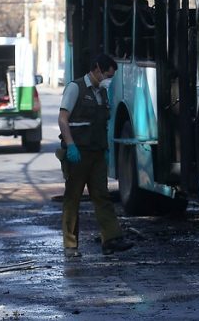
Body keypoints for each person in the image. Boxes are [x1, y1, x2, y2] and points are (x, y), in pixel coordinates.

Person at [57, 53, 133, 258]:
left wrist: (106, 150)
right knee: (72, 199)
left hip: (97, 153)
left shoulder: (102, 92)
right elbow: (63, 119)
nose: (109, 80)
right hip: (78, 153)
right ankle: (70, 245)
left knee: (102, 196)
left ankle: (111, 239)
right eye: (108, 75)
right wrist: (70, 146)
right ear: (97, 69)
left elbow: (102, 123)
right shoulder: (75, 88)